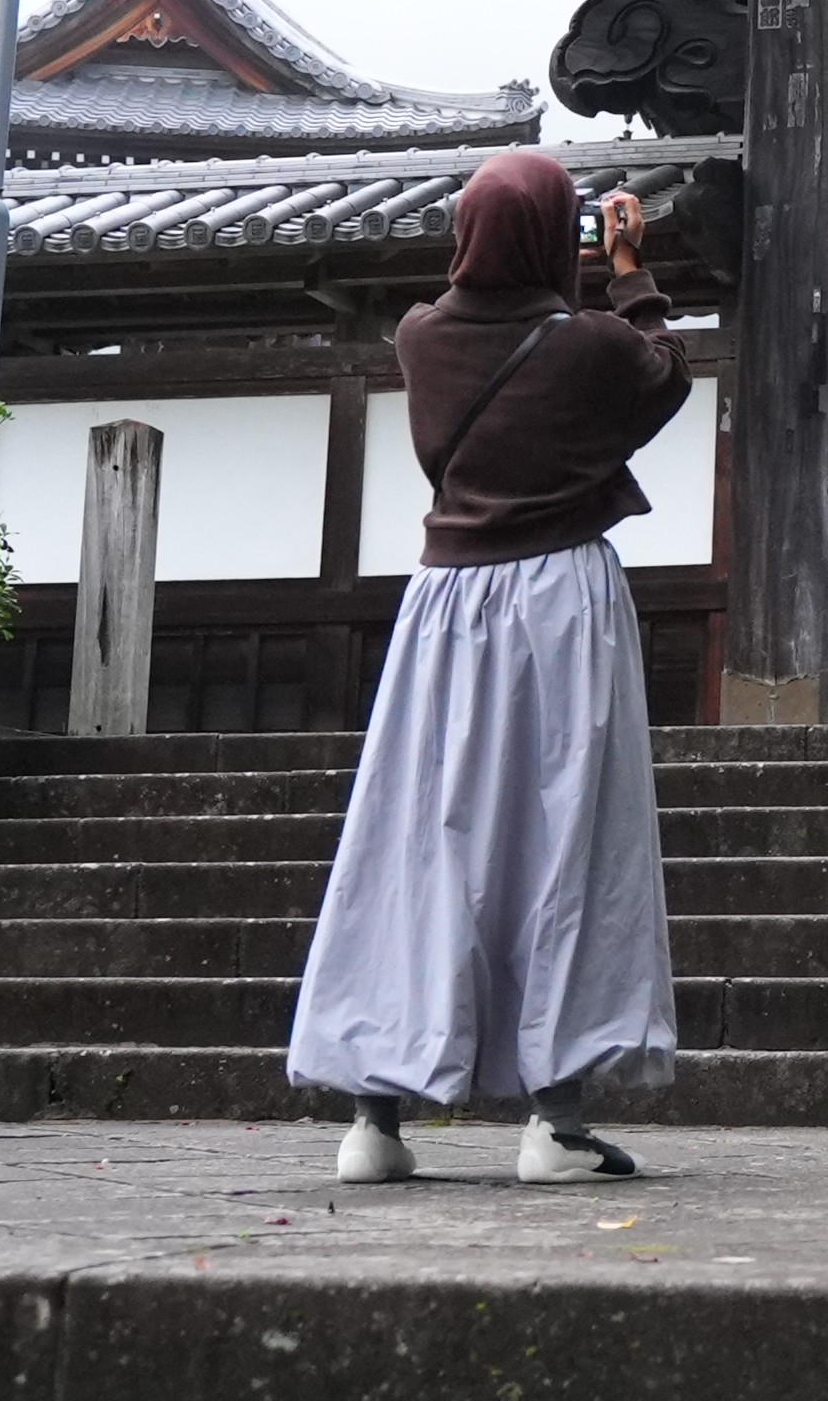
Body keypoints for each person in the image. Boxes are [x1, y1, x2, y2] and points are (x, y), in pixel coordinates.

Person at [285, 148, 691, 1185]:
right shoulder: (592, 343)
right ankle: (553, 1123)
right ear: (560, 236)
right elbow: (663, 377)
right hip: (560, 601)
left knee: (416, 842)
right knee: (567, 843)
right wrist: (631, 267)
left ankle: (372, 1119)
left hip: (443, 605)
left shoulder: (418, 335)